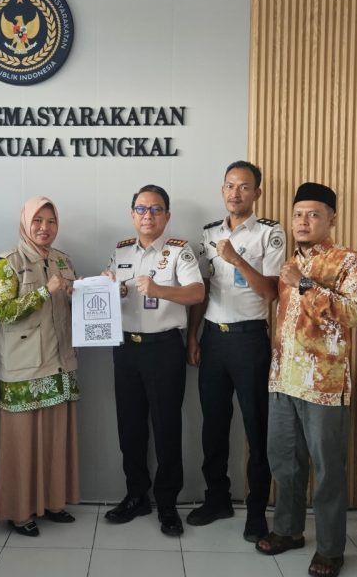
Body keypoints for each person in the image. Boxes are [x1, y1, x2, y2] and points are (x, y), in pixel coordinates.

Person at [255, 182, 357, 577]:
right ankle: (288, 530)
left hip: (324, 384)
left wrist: (304, 283)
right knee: (284, 463)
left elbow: (354, 312)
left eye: (313, 214)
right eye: (298, 214)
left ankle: (330, 550)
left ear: (331, 220)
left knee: (327, 470)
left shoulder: (348, 260)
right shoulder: (290, 261)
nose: (303, 221)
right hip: (282, 380)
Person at [186, 161, 285, 541]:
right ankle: (217, 499)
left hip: (249, 340)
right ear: (222, 190)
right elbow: (202, 290)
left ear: (257, 192)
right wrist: (193, 336)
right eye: (229, 185)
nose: (235, 193)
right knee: (213, 425)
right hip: (214, 338)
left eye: (244, 187)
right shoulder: (209, 232)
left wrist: (237, 259)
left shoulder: (269, 233)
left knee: (256, 427)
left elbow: (272, 293)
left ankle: (257, 512)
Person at [103, 184, 205, 536]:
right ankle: (136, 495)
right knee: (129, 427)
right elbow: (108, 290)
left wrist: (159, 289)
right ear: (132, 214)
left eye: (156, 209)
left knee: (166, 428)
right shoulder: (120, 251)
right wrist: (109, 287)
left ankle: (167, 503)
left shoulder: (179, 251)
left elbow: (197, 293)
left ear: (167, 215)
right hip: (126, 349)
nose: (148, 215)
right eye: (142, 209)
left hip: (164, 348)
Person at [0, 196, 80, 537]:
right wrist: (44, 292)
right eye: (38, 221)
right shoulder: (8, 263)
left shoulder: (62, 260)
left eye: (51, 221)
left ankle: (53, 503)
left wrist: (90, 290)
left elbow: (79, 305)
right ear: (25, 223)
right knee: (22, 443)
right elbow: (2, 312)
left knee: (55, 438)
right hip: (24, 367)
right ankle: (20, 512)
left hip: (60, 363)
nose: (45, 228)